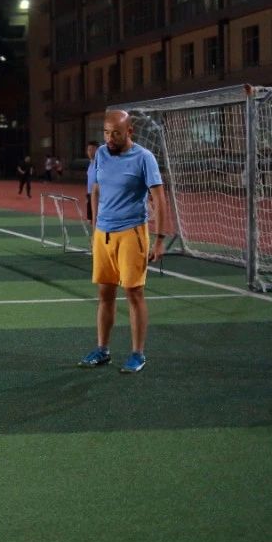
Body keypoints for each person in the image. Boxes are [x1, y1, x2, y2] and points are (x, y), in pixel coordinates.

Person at [78, 110, 169, 374]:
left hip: (132, 233)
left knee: (134, 293)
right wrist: (95, 227)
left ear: (129, 132)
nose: (110, 138)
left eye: (115, 133)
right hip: (103, 235)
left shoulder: (144, 158)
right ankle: (102, 349)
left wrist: (160, 239)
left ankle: (137, 353)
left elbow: (160, 200)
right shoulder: (101, 155)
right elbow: (96, 190)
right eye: (106, 133)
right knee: (105, 294)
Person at [84, 140, 100, 224]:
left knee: (97, 219)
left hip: (98, 196)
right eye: (88, 150)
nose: (90, 152)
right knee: (90, 220)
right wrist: (87, 196)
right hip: (90, 194)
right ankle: (95, 236)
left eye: (92, 149)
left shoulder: (101, 164)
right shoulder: (90, 164)